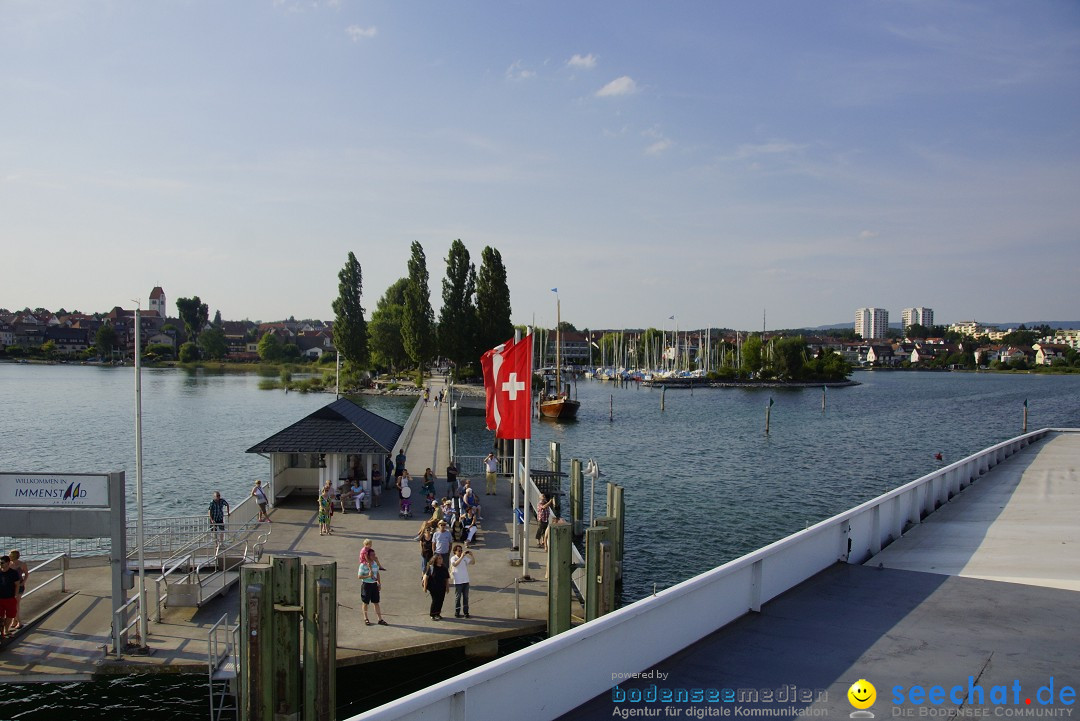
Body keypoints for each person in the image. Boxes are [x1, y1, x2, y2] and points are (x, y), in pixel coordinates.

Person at [357, 540, 388, 626]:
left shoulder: (375, 564)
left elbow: (377, 573)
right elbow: (359, 576)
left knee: (376, 602)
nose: (374, 556)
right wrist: (368, 576)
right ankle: (366, 618)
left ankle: (380, 619)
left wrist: (379, 583)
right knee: (365, 602)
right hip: (366, 585)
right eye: (372, 555)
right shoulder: (363, 565)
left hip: (374, 584)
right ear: (368, 555)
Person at [422, 554, 450, 620]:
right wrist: (425, 587)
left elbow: (447, 578)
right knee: (435, 601)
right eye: (439, 558)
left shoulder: (444, 568)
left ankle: (438, 613)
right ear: (435, 560)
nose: (441, 560)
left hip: (442, 587)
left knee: (441, 600)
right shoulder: (432, 567)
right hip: (433, 588)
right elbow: (426, 578)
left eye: (441, 558)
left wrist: (447, 587)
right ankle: (432, 614)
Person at [449, 545, 474, 619]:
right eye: (458, 551)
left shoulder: (464, 558)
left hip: (466, 580)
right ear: (455, 551)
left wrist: (472, 556)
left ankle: (466, 613)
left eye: (461, 550)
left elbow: (473, 562)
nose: (460, 552)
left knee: (466, 597)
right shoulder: (453, 558)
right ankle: (457, 612)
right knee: (458, 597)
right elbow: (455, 564)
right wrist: (461, 557)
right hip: (458, 581)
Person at [0, 556, 21, 638]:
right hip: (0, 598)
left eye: (2, 563)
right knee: (0, 617)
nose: (0, 564)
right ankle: (1, 633)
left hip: (10, 598)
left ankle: (6, 630)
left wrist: (15, 595)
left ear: (8, 563)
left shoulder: (13, 573)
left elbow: (17, 584)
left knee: (10, 615)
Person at [7, 550, 27, 632]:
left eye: (10, 555)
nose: (9, 556)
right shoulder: (8, 564)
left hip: (19, 586)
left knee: (16, 603)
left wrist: (24, 582)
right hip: (10, 586)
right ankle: (14, 620)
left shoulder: (22, 564)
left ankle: (19, 622)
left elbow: (26, 573)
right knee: (12, 604)